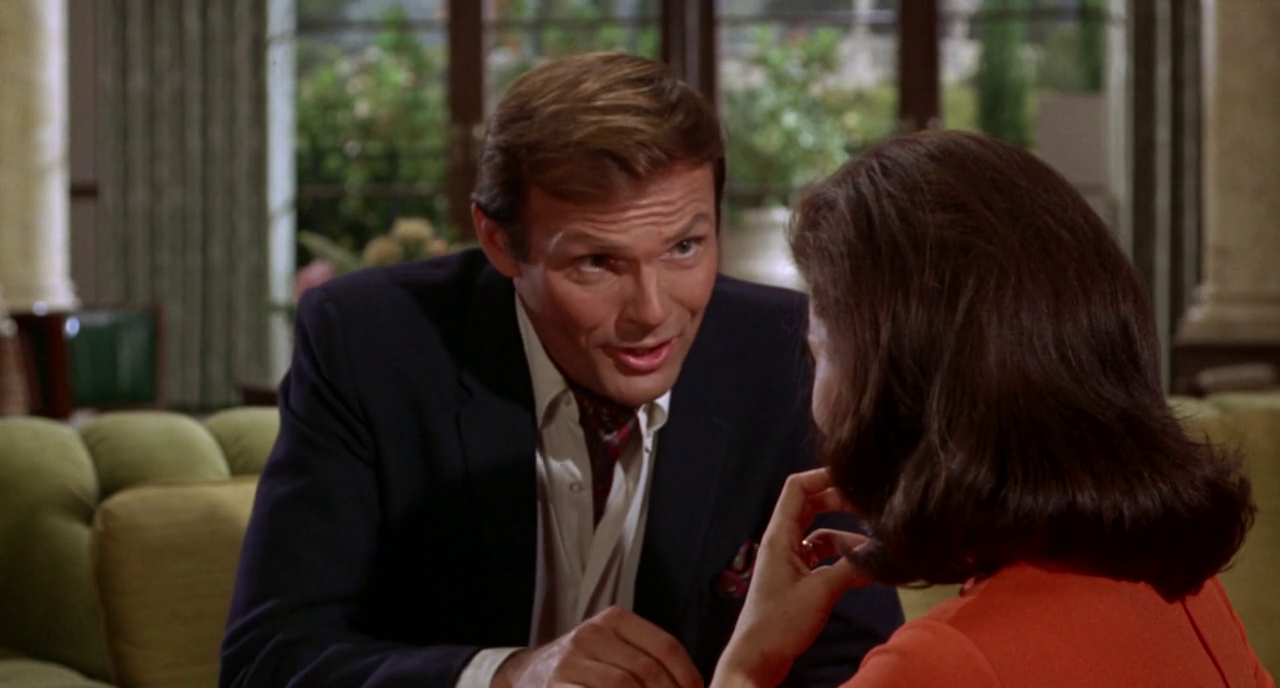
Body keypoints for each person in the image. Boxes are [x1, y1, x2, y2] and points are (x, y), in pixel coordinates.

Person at [220, 51, 903, 688]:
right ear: (500, 242)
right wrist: (508, 677)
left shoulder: (787, 354)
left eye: (684, 247)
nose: (652, 312)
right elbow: (268, 659)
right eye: (597, 262)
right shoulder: (370, 345)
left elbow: (855, 662)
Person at [709, 130, 1274, 687]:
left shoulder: (932, 668)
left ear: (898, 386)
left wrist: (745, 667)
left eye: (821, 352)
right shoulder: (1191, 596)